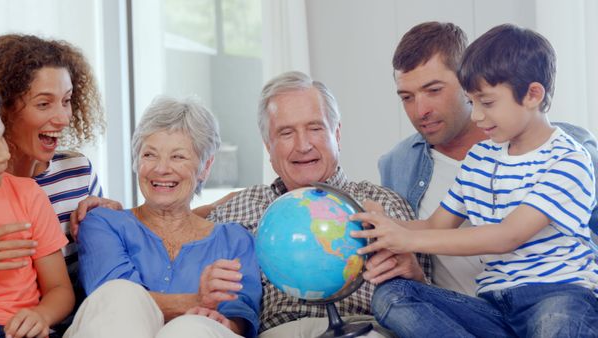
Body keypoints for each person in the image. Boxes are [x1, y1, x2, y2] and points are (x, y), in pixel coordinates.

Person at [353, 24, 598, 337]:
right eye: (473, 102)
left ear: (533, 94)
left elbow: (507, 235)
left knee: (556, 321)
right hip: (495, 308)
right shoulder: (481, 157)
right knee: (392, 296)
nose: (477, 116)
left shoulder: (569, 159)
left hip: (558, 297)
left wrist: (407, 240)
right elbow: (434, 226)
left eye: (487, 102)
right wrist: (376, 226)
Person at [207, 71, 422, 338]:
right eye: (286, 133)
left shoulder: (384, 204)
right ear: (268, 147)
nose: (303, 145)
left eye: (315, 128)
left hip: (364, 328)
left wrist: (416, 277)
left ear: (337, 134)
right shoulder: (236, 211)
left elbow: (435, 310)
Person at [64, 96, 261, 338]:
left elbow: (240, 315)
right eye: (149, 155)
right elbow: (115, 306)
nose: (161, 168)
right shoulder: (102, 223)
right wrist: (198, 301)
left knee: (192, 329)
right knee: (121, 293)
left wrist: (224, 322)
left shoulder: (235, 240)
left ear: (205, 167)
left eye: (178, 156)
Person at [0, 34, 107, 317]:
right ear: (3, 109)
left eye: (66, 101)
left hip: (65, 318)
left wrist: (111, 219)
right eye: (44, 104)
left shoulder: (77, 171)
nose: (63, 117)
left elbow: (104, 266)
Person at [0, 73, 74, 338]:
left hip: (14, 330)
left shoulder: (26, 194)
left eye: (1, 138)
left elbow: (60, 289)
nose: (5, 155)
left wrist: (41, 315)